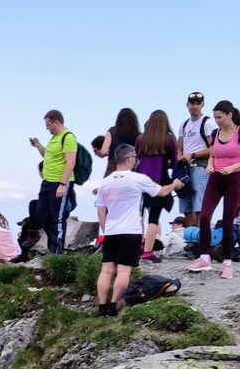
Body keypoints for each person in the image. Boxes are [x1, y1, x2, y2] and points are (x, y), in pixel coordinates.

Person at [92, 143, 185, 315]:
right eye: (135, 158)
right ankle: (113, 307)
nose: (136, 161)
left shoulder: (104, 183)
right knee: (123, 270)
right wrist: (174, 184)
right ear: (129, 159)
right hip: (130, 231)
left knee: (106, 270)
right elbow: (162, 192)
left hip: (111, 232)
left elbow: (100, 211)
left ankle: (102, 307)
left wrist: (106, 230)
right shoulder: (137, 179)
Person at [187, 100, 240, 279]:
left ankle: (227, 263)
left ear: (229, 115)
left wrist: (235, 167)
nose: (217, 120)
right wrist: (210, 165)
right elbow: (213, 153)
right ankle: (204, 258)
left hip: (233, 179)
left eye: (219, 117)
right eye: (215, 117)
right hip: (215, 178)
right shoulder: (215, 133)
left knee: (227, 222)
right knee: (204, 216)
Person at [29, 110, 78, 257]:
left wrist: (63, 184)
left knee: (57, 216)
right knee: (41, 213)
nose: (47, 128)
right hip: (47, 182)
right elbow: (47, 156)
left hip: (59, 182)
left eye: (48, 124)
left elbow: (71, 162)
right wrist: (38, 145)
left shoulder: (68, 137)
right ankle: (53, 245)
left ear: (56, 122)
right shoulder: (54, 138)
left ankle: (57, 250)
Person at [133, 110, 179, 260]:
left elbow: (137, 159)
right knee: (154, 217)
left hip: (140, 181)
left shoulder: (140, 139)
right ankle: (147, 252)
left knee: (139, 215)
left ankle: (137, 248)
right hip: (159, 182)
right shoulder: (168, 140)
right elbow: (175, 160)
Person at [177, 92, 216, 229]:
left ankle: (201, 236)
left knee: (199, 204)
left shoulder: (208, 123)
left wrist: (193, 155)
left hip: (200, 166)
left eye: (197, 103)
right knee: (186, 204)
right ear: (187, 105)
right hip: (186, 168)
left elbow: (215, 148)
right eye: (192, 103)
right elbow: (179, 147)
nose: (194, 106)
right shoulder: (184, 124)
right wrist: (180, 158)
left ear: (202, 105)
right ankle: (191, 237)